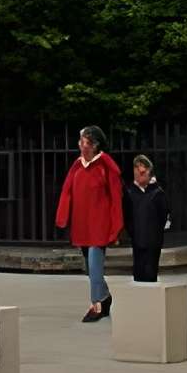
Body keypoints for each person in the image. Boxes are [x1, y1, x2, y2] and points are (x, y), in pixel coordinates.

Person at [55, 123, 124, 323]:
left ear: (94, 145)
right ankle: (105, 297)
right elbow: (67, 191)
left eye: (85, 142)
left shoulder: (106, 166)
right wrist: (63, 216)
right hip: (82, 225)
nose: (81, 145)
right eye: (81, 141)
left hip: (99, 227)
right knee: (89, 268)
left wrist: (115, 227)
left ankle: (97, 305)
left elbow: (116, 198)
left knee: (94, 267)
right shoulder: (77, 165)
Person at [124, 151, 171, 283]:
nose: (140, 172)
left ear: (149, 171)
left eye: (143, 171)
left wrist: (156, 232)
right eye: (137, 169)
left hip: (153, 241)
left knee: (150, 275)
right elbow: (127, 216)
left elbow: (163, 215)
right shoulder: (130, 193)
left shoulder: (158, 193)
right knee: (138, 275)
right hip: (137, 240)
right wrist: (133, 233)